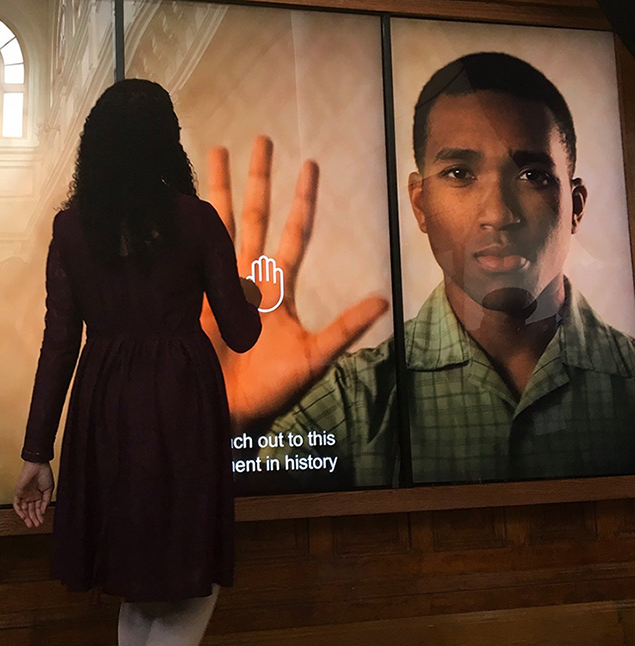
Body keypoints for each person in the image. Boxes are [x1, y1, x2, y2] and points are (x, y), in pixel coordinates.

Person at [210, 52, 635, 488]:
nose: (498, 214)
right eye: (459, 173)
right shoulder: (354, 402)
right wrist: (228, 417)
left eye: (532, 175)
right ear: (420, 205)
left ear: (576, 207)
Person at [12, 79, 262, 646]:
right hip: (181, 404)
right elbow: (241, 336)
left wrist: (35, 453)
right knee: (186, 576)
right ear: (167, 144)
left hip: (104, 405)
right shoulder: (197, 220)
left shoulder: (71, 229)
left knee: (136, 578)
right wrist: (245, 295)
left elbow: (58, 344)